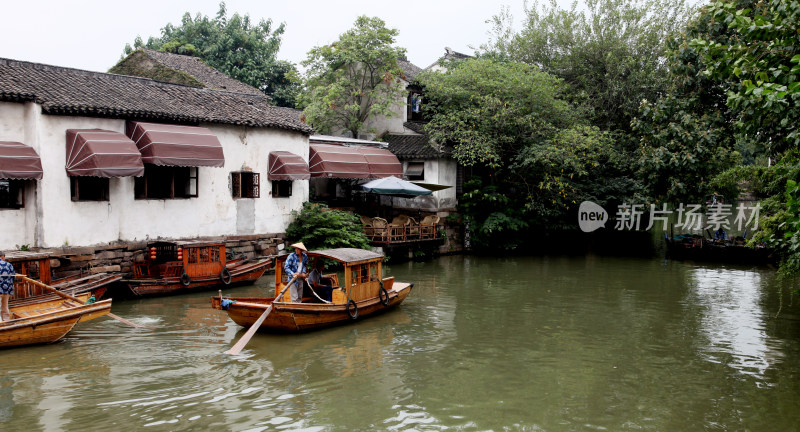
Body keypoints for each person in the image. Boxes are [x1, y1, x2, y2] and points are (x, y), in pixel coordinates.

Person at [0, 251, 15, 321]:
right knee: (5, 307)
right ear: (3, 257)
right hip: (7, 290)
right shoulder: (9, 265)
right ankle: (6, 321)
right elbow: (13, 277)